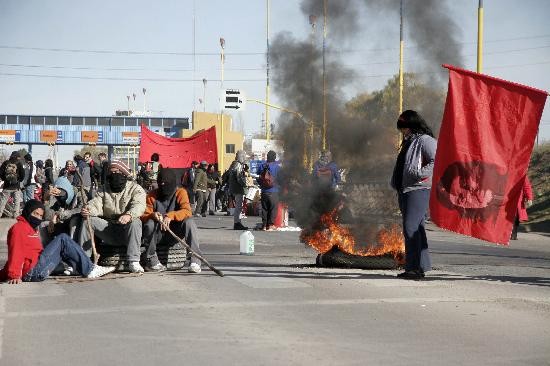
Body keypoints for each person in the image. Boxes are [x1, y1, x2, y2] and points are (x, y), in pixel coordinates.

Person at [0, 200, 115, 283]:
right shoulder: (20, 228)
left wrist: (2, 274)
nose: (38, 218)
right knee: (63, 239)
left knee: (62, 249)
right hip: (33, 271)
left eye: (40, 216)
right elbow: (16, 252)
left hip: (35, 268)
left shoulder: (30, 228)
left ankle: (81, 268)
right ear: (27, 211)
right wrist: (13, 275)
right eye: (35, 214)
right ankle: (90, 269)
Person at [390, 110, 437, 280]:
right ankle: (421, 266)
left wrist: (420, 174)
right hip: (405, 189)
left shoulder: (425, 140)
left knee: (410, 227)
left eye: (403, 128)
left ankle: (413, 268)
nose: (402, 131)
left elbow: (436, 159)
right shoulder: (409, 141)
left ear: (412, 125)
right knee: (418, 228)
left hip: (418, 189)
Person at [79, 160, 147, 273]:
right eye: (111, 173)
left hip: (127, 231)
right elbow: (96, 203)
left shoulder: (135, 189)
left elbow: (139, 206)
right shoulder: (104, 189)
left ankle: (134, 261)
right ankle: (83, 261)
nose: (114, 175)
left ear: (124, 173)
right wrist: (88, 210)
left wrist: (129, 215)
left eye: (117, 172)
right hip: (109, 229)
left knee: (136, 222)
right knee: (88, 221)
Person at [141, 169, 203, 273]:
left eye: (166, 183)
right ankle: (151, 259)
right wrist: (152, 215)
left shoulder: (180, 192)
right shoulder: (152, 195)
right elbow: (143, 215)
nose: (163, 185)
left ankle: (195, 260)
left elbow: (187, 211)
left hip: (175, 232)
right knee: (150, 223)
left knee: (189, 222)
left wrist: (171, 215)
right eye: (161, 183)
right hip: (157, 234)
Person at [257, 150, 281, 231]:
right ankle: (270, 225)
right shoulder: (277, 167)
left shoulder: (261, 165)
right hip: (274, 191)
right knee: (273, 208)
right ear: (274, 157)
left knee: (264, 208)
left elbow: (258, 175)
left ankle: (264, 225)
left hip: (264, 191)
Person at [0, 151, 25, 218]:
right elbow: (23, 174)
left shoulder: (6, 163)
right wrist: (19, 180)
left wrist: (4, 179)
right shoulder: (19, 164)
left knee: (3, 202)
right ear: (17, 157)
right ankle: (15, 216)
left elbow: (1, 173)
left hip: (7, 186)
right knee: (17, 202)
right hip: (16, 187)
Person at [228, 150, 248, 230]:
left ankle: (237, 222)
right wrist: (245, 184)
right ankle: (237, 223)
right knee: (238, 207)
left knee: (238, 206)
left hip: (234, 187)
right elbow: (239, 177)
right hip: (238, 188)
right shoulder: (238, 165)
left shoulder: (233, 164)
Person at [511, 176, 534, 240]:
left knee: (515, 217)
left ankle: (513, 234)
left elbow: (526, 186)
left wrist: (529, 198)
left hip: (517, 200)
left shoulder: (522, 173)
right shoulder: (507, 171)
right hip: (507, 200)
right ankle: (509, 234)